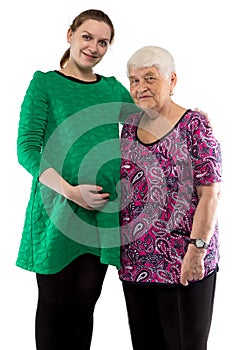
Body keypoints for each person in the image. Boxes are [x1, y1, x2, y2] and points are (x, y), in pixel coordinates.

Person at [16, 9, 134, 350]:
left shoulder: (112, 89)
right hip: (57, 210)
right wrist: (70, 191)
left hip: (102, 212)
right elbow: (27, 148)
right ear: (70, 34)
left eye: (103, 42)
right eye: (87, 37)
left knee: (85, 304)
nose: (94, 47)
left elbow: (149, 126)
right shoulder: (45, 83)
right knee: (55, 304)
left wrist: (187, 113)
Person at [118, 46, 222, 350]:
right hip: (136, 263)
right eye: (134, 80)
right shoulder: (130, 128)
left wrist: (197, 250)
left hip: (183, 262)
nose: (140, 87)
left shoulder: (194, 126)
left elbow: (211, 194)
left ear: (172, 80)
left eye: (150, 78)